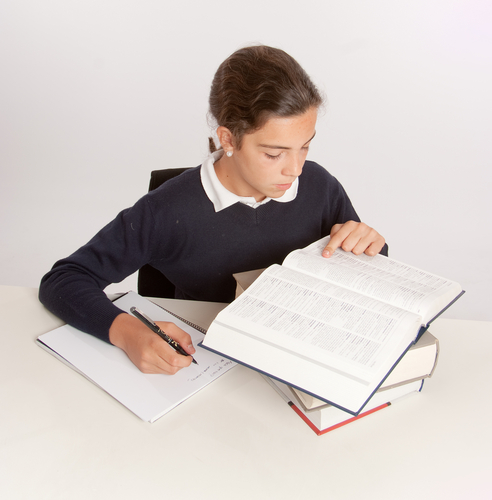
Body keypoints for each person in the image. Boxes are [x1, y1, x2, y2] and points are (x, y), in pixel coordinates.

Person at [39, 45, 386, 375]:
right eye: (274, 154)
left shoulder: (320, 187)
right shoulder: (167, 210)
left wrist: (370, 247)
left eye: (305, 147)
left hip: (299, 360)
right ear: (229, 139)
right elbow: (64, 281)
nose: (295, 169)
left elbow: (362, 270)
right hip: (206, 367)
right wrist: (125, 331)